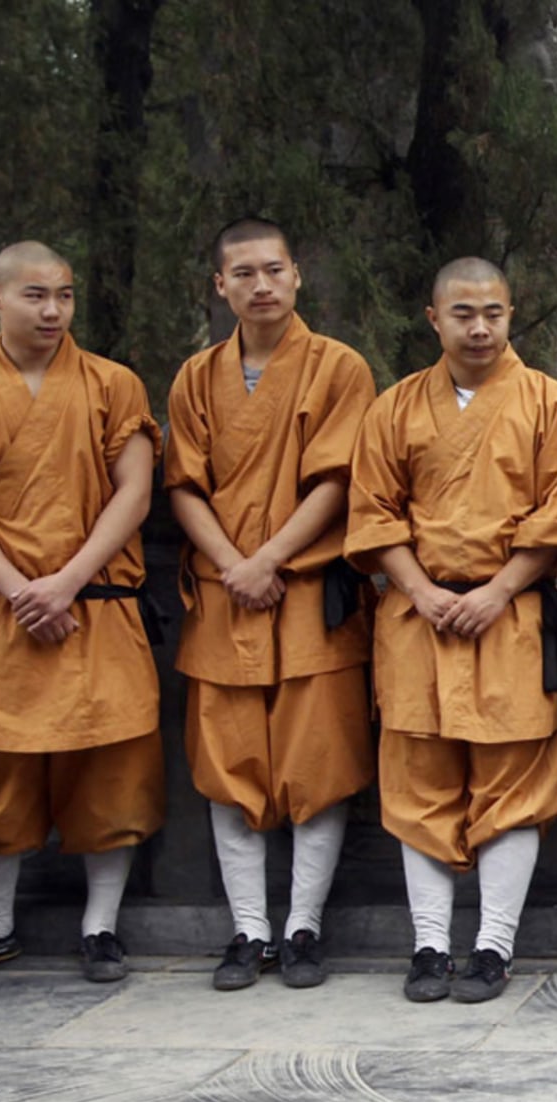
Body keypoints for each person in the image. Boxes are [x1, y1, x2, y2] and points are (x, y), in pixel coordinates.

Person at [345, 257, 557, 1005]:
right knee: (418, 782)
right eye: (463, 315)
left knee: (514, 782)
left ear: (512, 315)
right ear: (434, 319)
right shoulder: (393, 408)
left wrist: (499, 588)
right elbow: (373, 511)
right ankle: (428, 947)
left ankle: (492, 946)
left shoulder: (551, 404)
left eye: (494, 314)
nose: (479, 329)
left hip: (511, 615)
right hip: (417, 619)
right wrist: (416, 589)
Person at [166, 218, 377, 991]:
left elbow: (338, 479)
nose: (261, 286)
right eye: (243, 273)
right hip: (227, 597)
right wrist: (233, 565)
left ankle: (302, 927)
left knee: (314, 765)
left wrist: (268, 559)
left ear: (297, 277)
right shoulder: (194, 378)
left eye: (275, 270)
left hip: (306, 591)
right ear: (220, 286)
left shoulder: (339, 368)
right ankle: (248, 929)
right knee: (228, 766)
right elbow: (183, 484)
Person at [0, 242, 163, 982]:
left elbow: (135, 492)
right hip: (2, 611)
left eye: (65, 295)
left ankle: (100, 927)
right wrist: (21, 588)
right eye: (34, 295)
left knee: (111, 770)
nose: (53, 310)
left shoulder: (112, 384)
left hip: (95, 606)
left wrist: (64, 583)